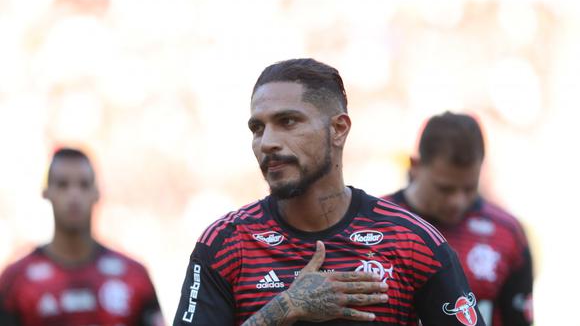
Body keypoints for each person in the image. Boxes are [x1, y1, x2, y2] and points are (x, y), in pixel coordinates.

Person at [173, 58, 485, 326]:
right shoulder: (226, 243)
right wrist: (284, 309)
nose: (267, 141)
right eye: (258, 128)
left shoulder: (412, 242)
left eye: (287, 121)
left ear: (338, 129)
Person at [382, 112, 533, 326]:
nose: (457, 201)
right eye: (445, 188)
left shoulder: (507, 233)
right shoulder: (377, 225)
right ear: (415, 166)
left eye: (469, 188)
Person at [0, 148, 165, 326]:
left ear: (97, 193)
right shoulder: (16, 279)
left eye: (84, 184)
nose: (74, 195)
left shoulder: (134, 276)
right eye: (63, 184)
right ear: (46, 192)